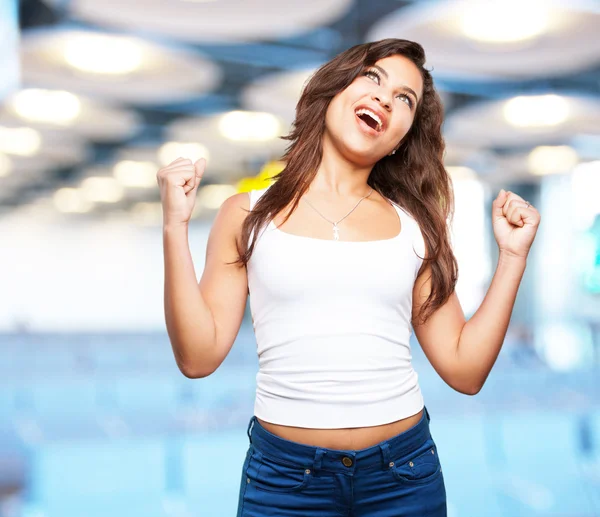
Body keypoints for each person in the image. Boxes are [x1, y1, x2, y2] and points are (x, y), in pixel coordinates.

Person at [157, 38, 541, 517]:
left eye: (406, 98)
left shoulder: (416, 227)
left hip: (404, 475)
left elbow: (466, 370)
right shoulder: (247, 214)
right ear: (332, 91)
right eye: (373, 78)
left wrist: (512, 257)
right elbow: (197, 357)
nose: (386, 98)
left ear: (401, 137)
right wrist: (174, 226)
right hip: (284, 482)